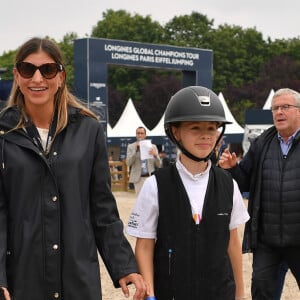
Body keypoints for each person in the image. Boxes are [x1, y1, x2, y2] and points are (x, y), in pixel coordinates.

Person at [0, 37, 147, 300]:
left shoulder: (88, 130)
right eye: (27, 69)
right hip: (22, 278)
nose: (37, 78)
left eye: (47, 70)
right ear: (16, 76)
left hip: (77, 278)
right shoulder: (3, 133)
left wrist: (124, 265)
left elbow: (102, 208)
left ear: (60, 76)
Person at [126, 86, 249, 299]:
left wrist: (240, 293)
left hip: (219, 292)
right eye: (195, 128)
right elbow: (145, 245)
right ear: (176, 132)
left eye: (211, 128)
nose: (205, 136)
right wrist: (150, 295)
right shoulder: (155, 185)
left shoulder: (229, 184)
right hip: (171, 292)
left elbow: (233, 242)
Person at [219, 88, 300, 299]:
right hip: (267, 240)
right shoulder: (262, 142)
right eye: (275, 108)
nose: (279, 112)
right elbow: (244, 181)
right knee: (261, 292)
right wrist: (232, 168)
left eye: (285, 107)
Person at [126, 126, 161, 194]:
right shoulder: (131, 146)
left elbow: (159, 164)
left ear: (145, 135)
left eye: (142, 133)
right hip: (138, 178)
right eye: (138, 133)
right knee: (140, 200)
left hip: (150, 177)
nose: (140, 135)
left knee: (151, 199)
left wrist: (155, 155)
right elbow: (128, 163)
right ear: (136, 135)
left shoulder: (153, 146)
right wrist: (135, 151)